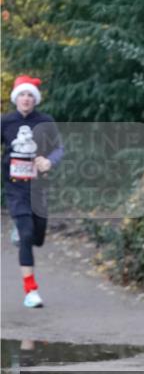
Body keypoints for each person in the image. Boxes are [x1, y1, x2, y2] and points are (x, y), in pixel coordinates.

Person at [2, 75, 64, 308]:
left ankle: (22, 233)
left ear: (35, 99)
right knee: (27, 235)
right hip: (15, 186)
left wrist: (49, 161)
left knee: (37, 236)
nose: (26, 99)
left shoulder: (45, 120)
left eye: (30, 95)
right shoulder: (5, 122)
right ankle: (30, 291)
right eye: (22, 95)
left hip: (38, 187)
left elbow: (59, 148)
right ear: (16, 99)